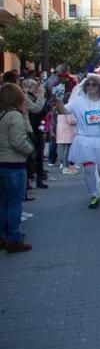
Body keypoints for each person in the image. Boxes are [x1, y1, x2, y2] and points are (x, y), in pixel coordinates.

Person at [53, 74, 100, 209]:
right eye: (88, 84)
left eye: (94, 84)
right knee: (89, 170)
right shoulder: (78, 102)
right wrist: (58, 99)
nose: (90, 87)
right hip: (85, 140)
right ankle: (94, 195)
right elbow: (63, 111)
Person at [0, 83, 36, 252]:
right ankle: (14, 238)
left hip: (3, 162)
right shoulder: (14, 115)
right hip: (14, 163)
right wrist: (30, 151)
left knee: (3, 202)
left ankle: (3, 236)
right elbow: (17, 141)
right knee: (14, 202)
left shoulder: (3, 115)